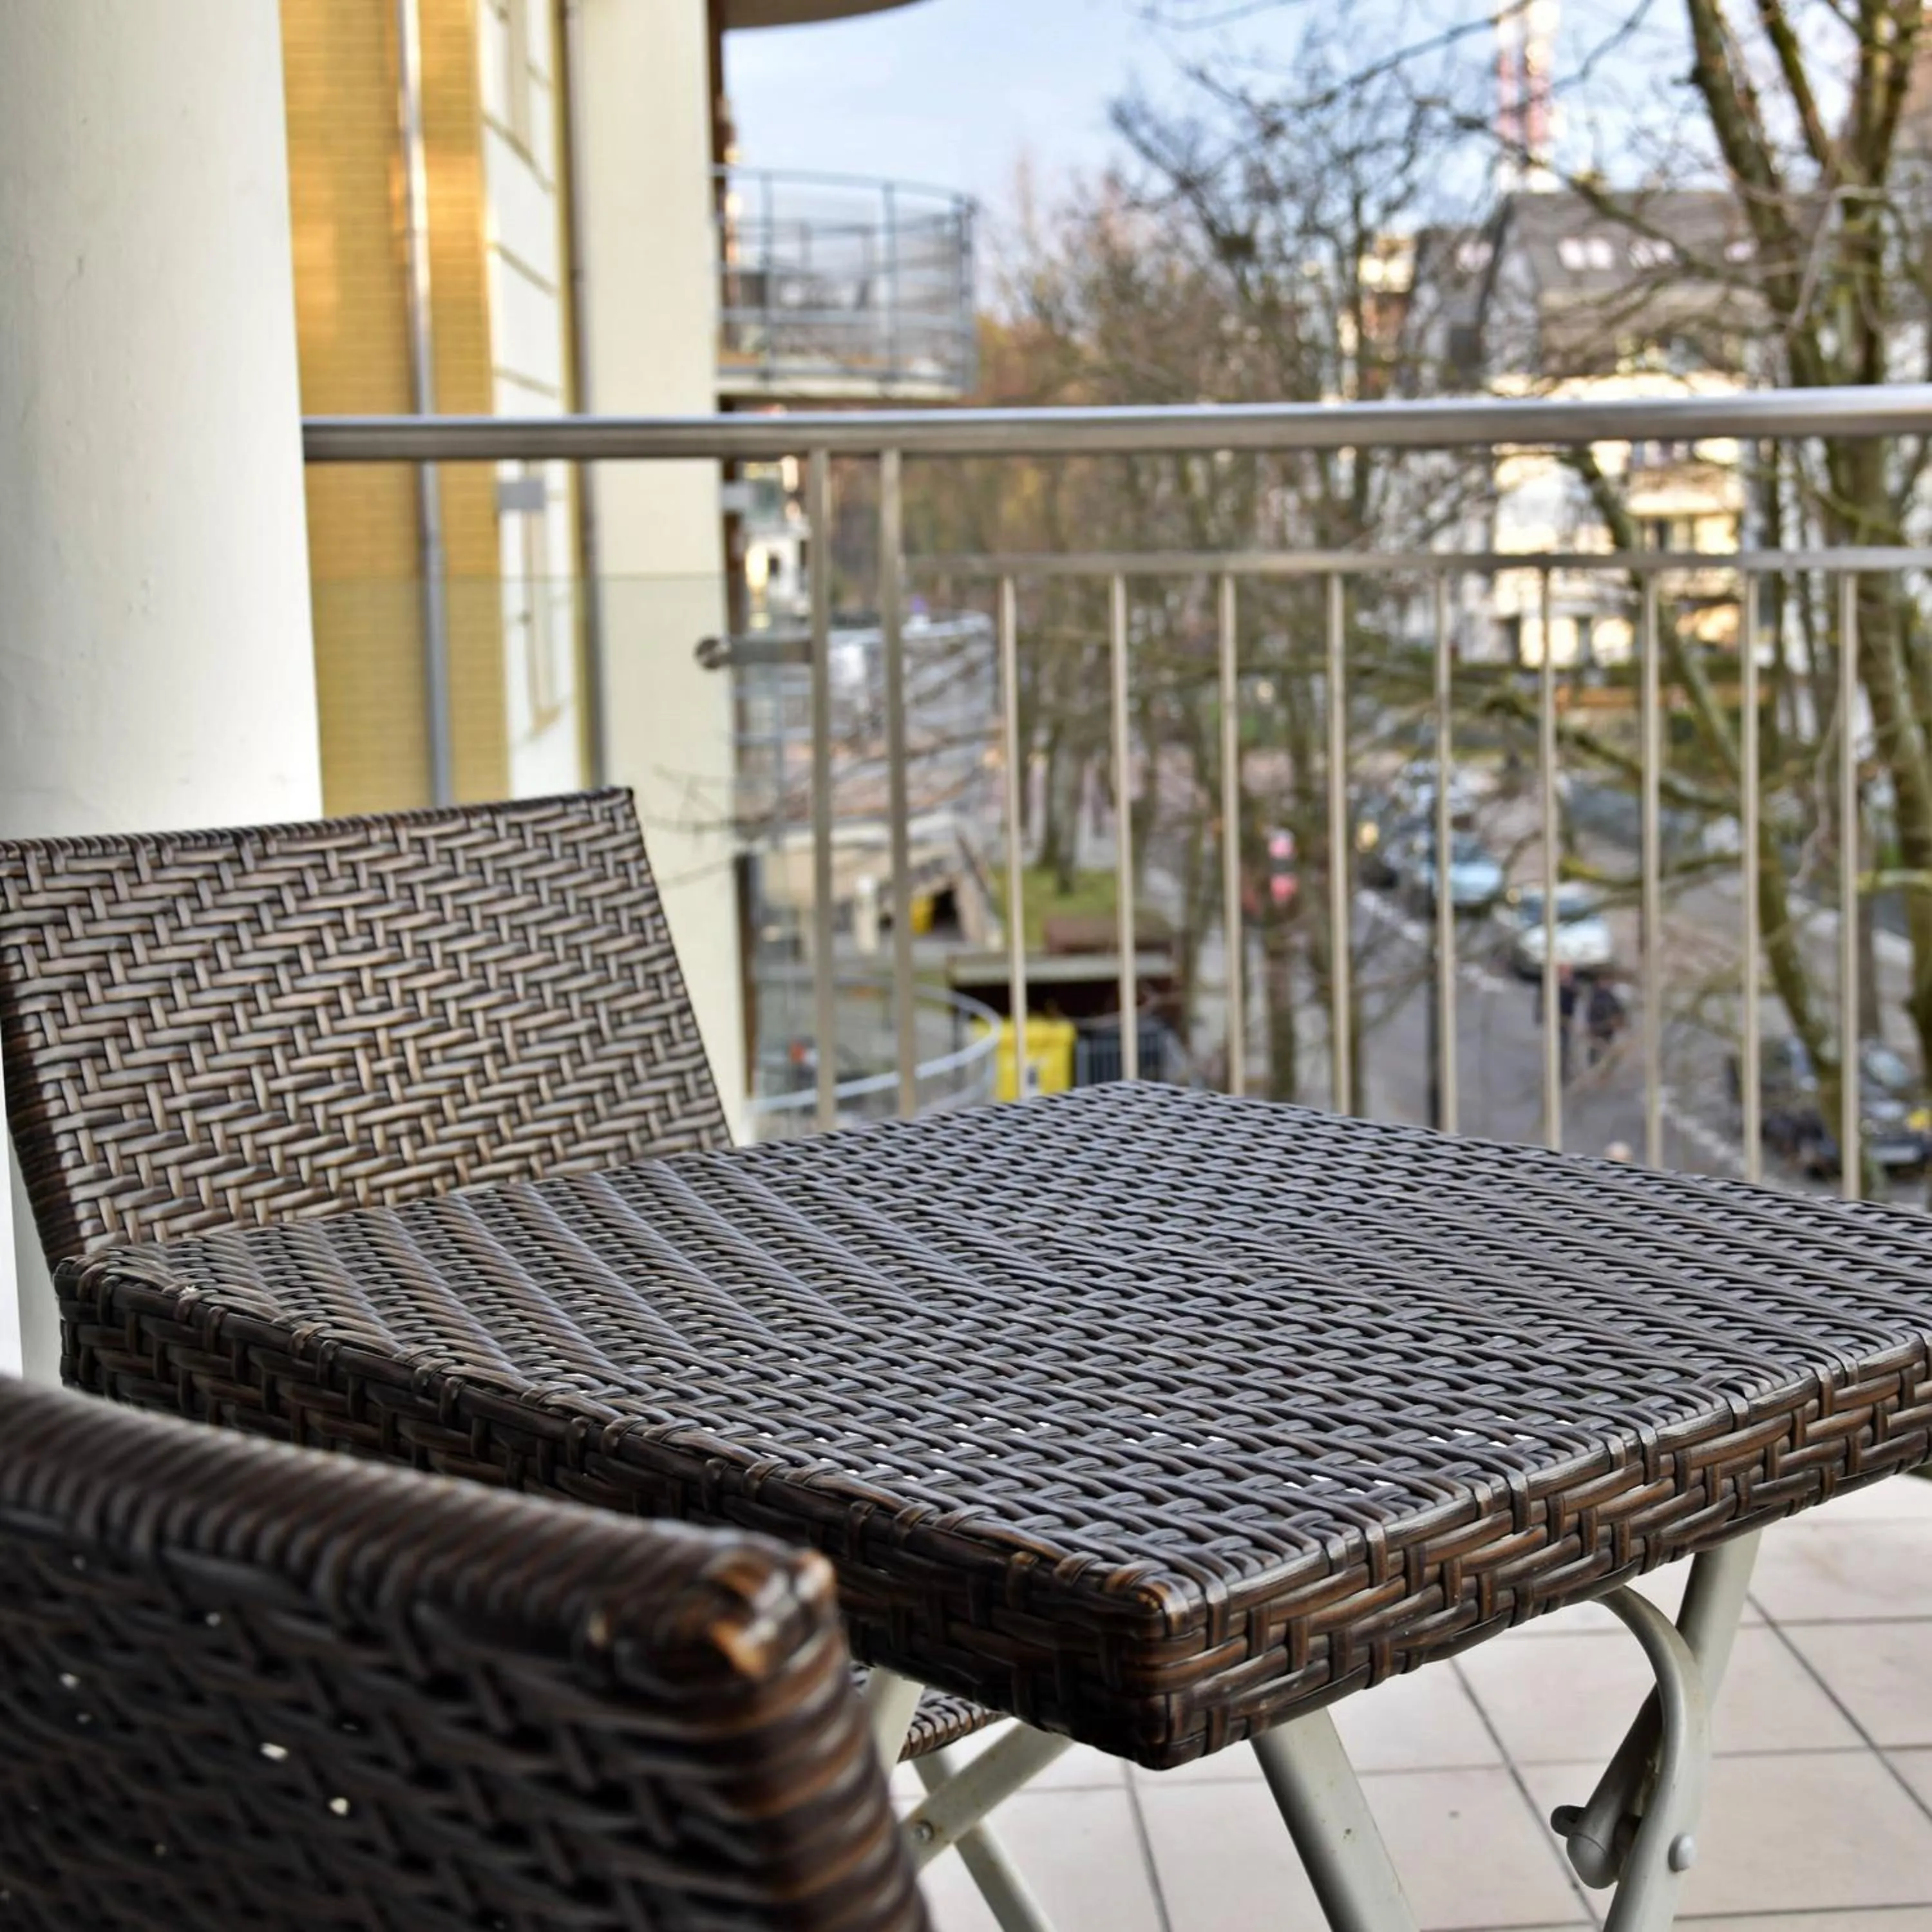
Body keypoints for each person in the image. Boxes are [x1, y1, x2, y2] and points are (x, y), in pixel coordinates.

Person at [1586, 976, 1627, 1067]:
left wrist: (1618, 1020)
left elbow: (1618, 1010)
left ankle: (1605, 1071)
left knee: (1608, 1051)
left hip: (1607, 1029)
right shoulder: (1595, 997)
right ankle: (1595, 1069)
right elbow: (1591, 1013)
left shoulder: (1610, 996)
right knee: (1596, 1051)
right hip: (1597, 1028)